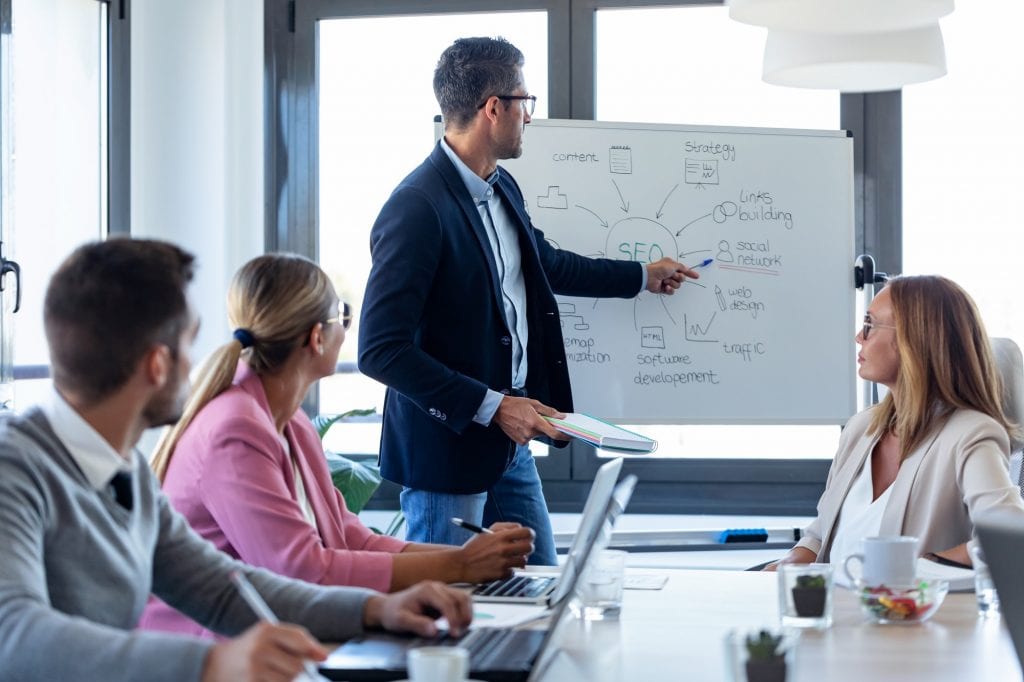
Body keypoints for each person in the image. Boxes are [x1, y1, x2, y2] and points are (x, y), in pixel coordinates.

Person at [0, 239, 471, 682]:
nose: (196, 364)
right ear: (157, 365)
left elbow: (223, 589)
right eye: (188, 344)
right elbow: (14, 635)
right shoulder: (13, 469)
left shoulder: (125, 473)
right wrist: (210, 662)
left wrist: (373, 610)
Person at [357, 36, 700, 566]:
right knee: (444, 611)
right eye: (525, 101)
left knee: (542, 587)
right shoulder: (416, 209)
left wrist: (641, 276)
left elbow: (548, 264)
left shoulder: (501, 188)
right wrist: (494, 407)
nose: (530, 117)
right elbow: (380, 350)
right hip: (448, 454)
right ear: (493, 108)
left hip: (507, 444)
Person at [141, 253, 534, 637]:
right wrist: (461, 566)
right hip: (213, 650)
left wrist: (469, 561)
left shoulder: (289, 420)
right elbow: (304, 572)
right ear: (317, 337)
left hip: (277, 633)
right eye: (343, 315)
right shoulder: (236, 429)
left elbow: (349, 538)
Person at [768, 275, 1024, 571]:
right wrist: (789, 563)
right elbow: (822, 532)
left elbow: (1010, 537)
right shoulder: (861, 429)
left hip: (906, 614)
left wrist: (915, 567)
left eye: (870, 325)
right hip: (834, 611)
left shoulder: (970, 434)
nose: (858, 338)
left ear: (913, 339)